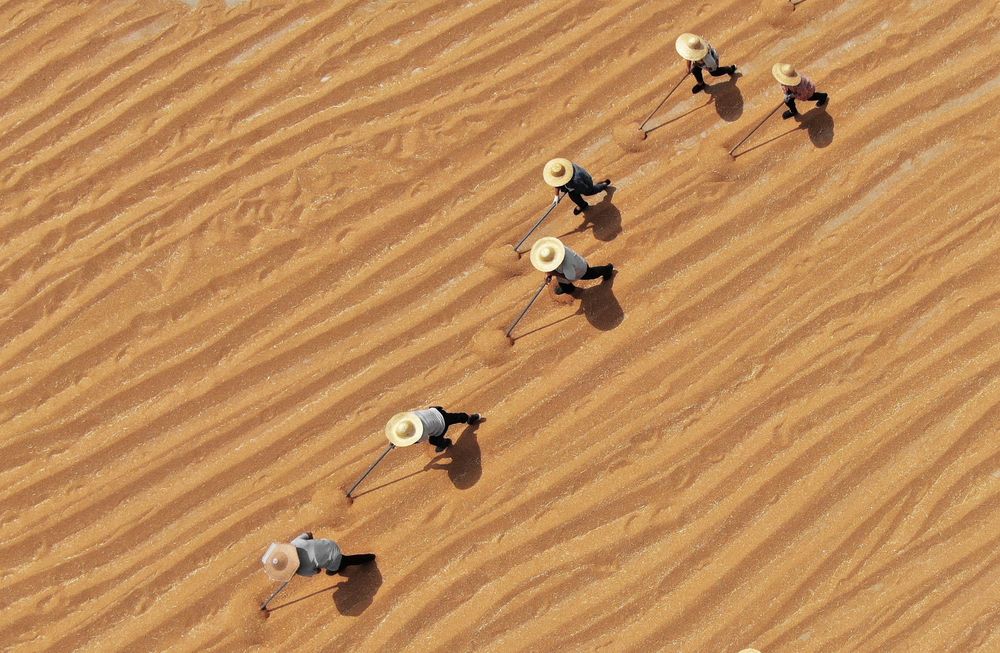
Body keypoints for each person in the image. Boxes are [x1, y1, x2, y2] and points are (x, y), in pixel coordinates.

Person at [262, 533, 375, 581]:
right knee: (343, 561)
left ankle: (370, 557)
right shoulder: (295, 542)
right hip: (329, 543)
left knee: (337, 568)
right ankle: (369, 557)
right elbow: (308, 534)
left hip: (334, 558)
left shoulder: (302, 570)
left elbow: (317, 571)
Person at [530, 236, 613, 296]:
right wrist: (549, 273)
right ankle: (569, 289)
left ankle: (607, 269)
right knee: (564, 285)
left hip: (579, 269)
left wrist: (554, 273)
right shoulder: (555, 249)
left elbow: (570, 277)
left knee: (591, 274)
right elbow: (549, 265)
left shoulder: (567, 264)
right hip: (562, 270)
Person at [385, 407, 481, 453]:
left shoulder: (422, 433)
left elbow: (420, 440)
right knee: (456, 417)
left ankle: (445, 442)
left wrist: (399, 442)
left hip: (441, 424)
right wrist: (396, 440)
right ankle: (470, 417)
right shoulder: (410, 416)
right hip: (435, 410)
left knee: (433, 440)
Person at [543, 158, 611, 216]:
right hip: (574, 181)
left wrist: (569, 189)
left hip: (584, 183)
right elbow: (557, 182)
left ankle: (603, 185)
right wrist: (556, 196)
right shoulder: (565, 168)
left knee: (590, 191)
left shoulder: (576, 182)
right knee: (572, 195)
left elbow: (584, 189)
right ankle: (582, 205)